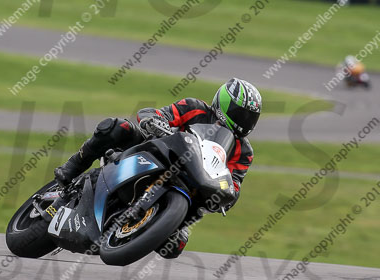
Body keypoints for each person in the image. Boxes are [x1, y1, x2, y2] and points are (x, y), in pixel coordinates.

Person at [54, 78, 261, 259]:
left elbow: (234, 183)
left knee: (174, 247)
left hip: (192, 184)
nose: (244, 121)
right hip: (155, 151)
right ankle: (71, 168)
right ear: (224, 103)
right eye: (239, 113)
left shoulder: (244, 152)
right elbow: (156, 113)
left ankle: (134, 227)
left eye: (249, 117)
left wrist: (227, 195)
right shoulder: (194, 107)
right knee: (117, 128)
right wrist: (154, 121)